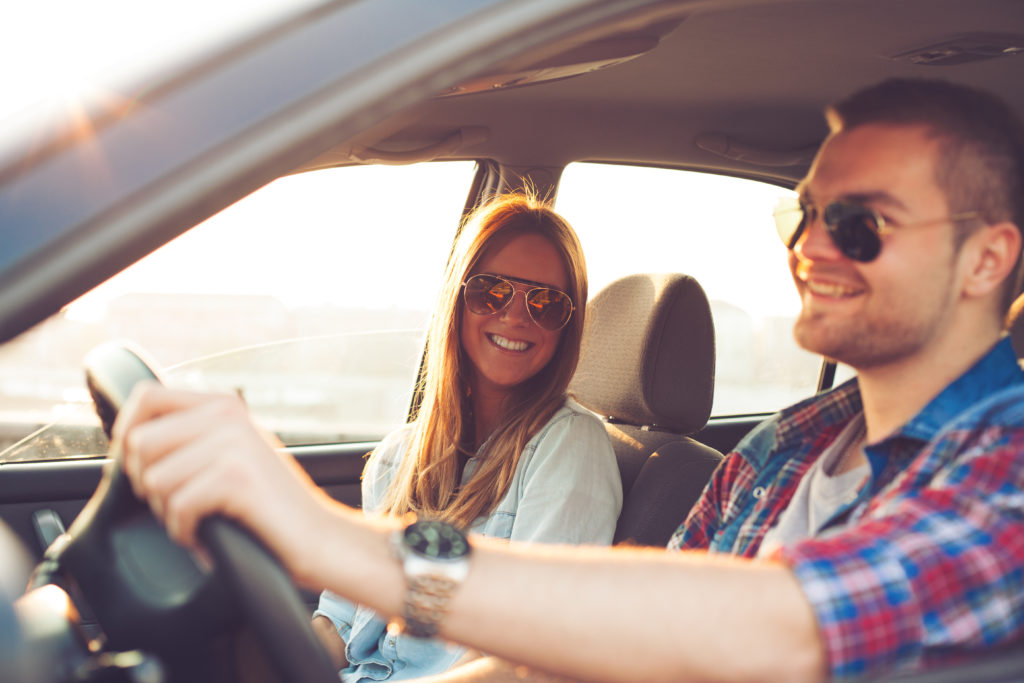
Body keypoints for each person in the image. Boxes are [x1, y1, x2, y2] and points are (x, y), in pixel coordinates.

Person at [118, 77, 1024, 682]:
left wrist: (327, 536)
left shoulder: (1007, 465)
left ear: (987, 259)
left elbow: (786, 626)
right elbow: (614, 640)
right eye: (805, 215)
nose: (810, 250)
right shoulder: (782, 445)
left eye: (860, 224)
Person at [306, 194, 623, 680]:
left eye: (545, 303)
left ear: (568, 326)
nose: (517, 316)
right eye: (491, 291)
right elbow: (343, 617)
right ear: (457, 299)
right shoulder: (396, 457)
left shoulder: (569, 446)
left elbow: (524, 652)